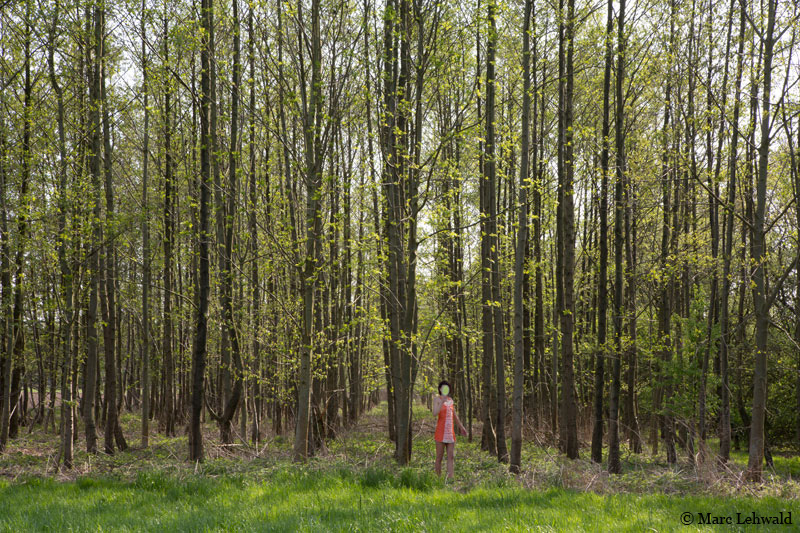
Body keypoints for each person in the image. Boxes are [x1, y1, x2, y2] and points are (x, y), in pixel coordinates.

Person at [432, 380, 467, 481]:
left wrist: (461, 427)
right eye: (443, 388)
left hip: (450, 433)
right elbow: (434, 413)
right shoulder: (437, 400)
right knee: (439, 456)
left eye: (447, 388)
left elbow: (454, 415)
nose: (445, 390)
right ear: (440, 389)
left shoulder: (451, 400)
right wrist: (442, 402)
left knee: (451, 456)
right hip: (440, 432)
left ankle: (450, 479)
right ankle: (438, 479)